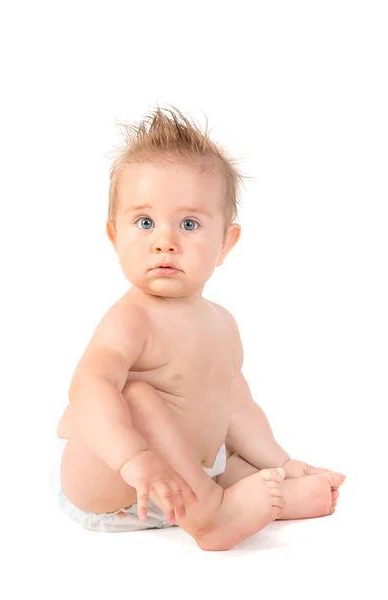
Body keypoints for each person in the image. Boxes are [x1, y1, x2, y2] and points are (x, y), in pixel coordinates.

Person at [51, 105, 346, 551]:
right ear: (115, 237)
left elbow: (236, 406)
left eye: (189, 224)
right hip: (113, 483)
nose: (164, 241)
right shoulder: (131, 318)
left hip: (186, 477)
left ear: (226, 242)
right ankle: (212, 516)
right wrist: (134, 460)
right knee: (135, 394)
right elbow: (88, 388)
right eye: (144, 222)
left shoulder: (222, 322)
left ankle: (272, 492)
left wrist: (284, 462)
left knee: (244, 457)